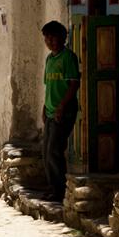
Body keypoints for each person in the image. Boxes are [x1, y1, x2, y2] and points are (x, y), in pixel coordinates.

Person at [41, 20, 80, 202]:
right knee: (46, 152)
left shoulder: (68, 57)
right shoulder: (49, 59)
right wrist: (45, 107)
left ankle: (59, 191)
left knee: (54, 151)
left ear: (63, 38)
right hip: (50, 111)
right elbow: (49, 85)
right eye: (47, 38)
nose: (51, 41)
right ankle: (52, 187)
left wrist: (61, 107)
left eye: (54, 37)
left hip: (63, 112)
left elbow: (73, 84)